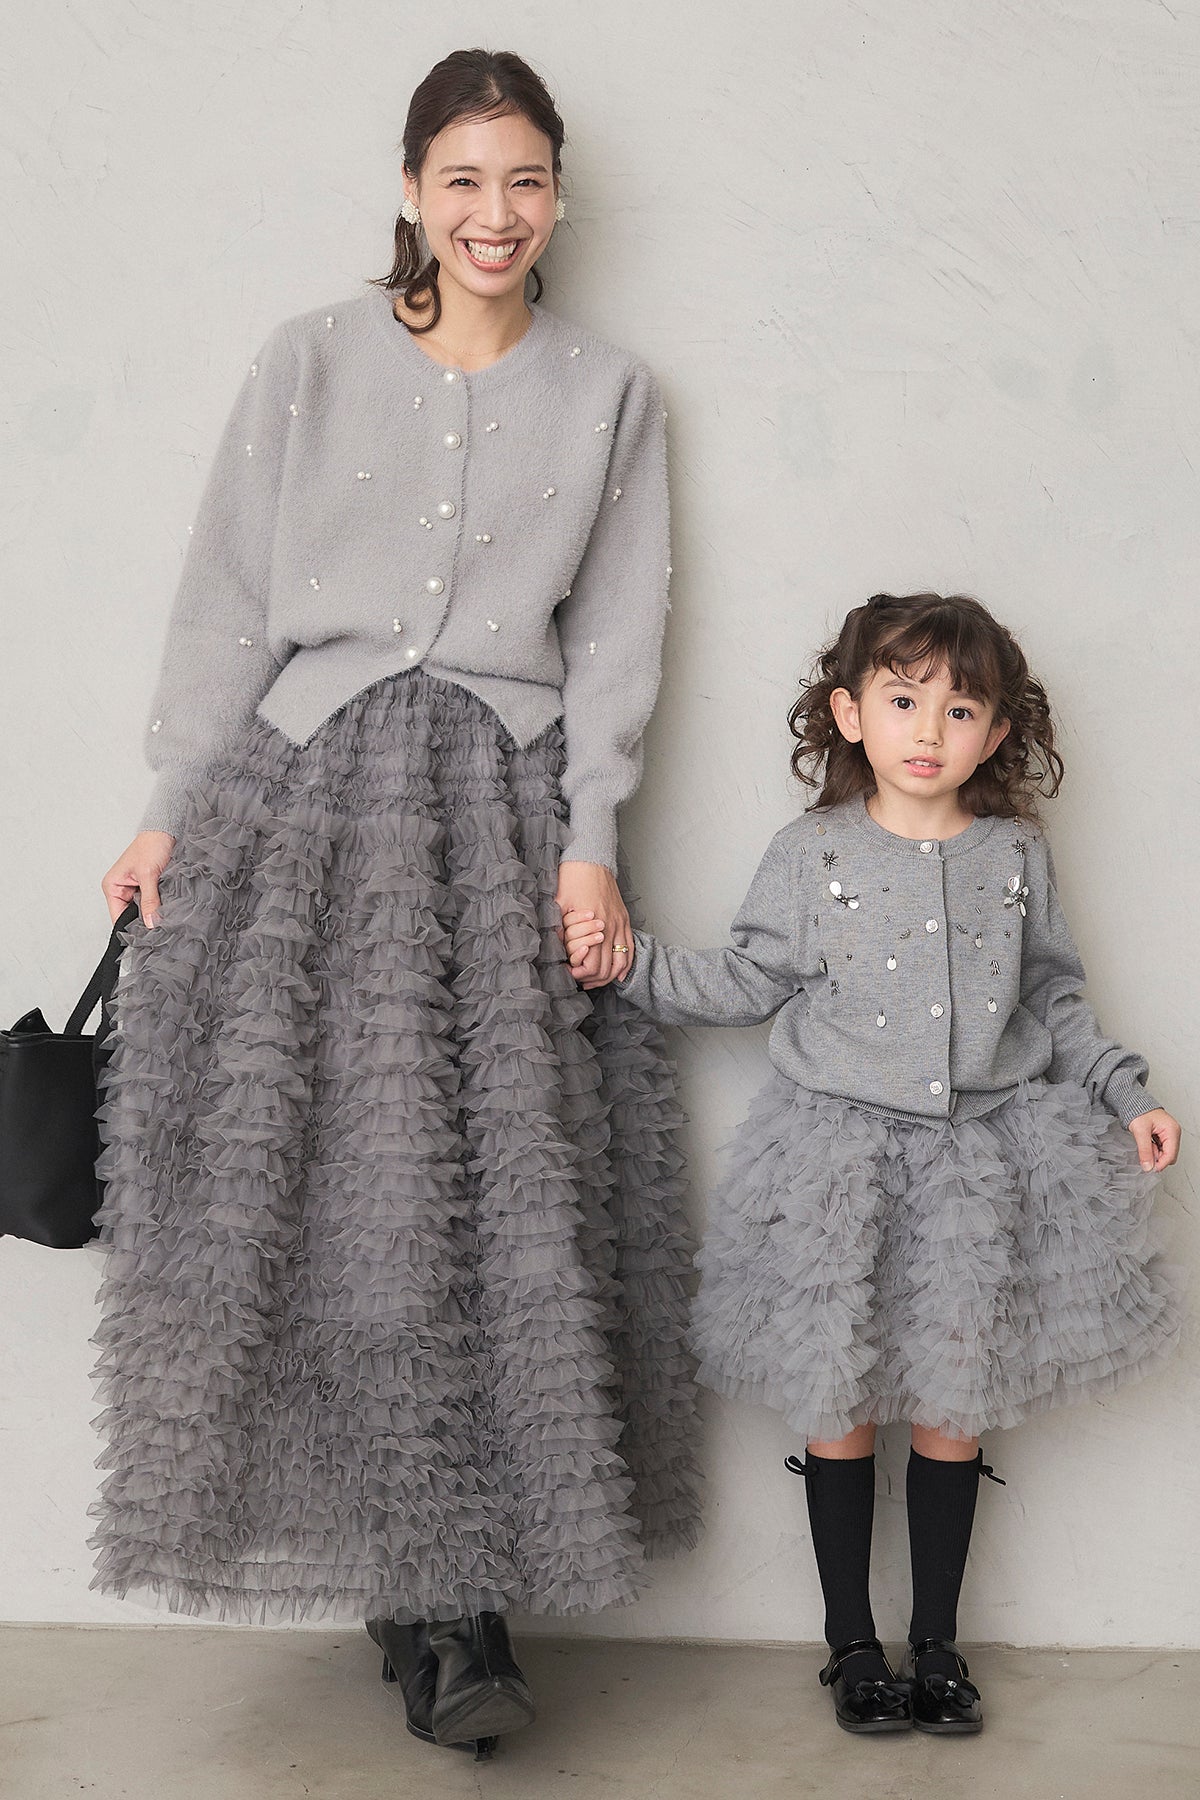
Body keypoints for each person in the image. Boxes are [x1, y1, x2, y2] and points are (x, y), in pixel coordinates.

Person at [94, 47, 699, 1760]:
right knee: (329, 1204)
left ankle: (459, 1598)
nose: (494, 214)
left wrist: (592, 836)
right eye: (463, 180)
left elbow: (620, 637)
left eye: (525, 181)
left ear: (560, 194)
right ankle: (420, 1594)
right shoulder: (308, 360)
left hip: (500, 820)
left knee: (497, 1207)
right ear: (414, 189)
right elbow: (225, 597)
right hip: (306, 816)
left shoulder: (612, 394)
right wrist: (167, 809)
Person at [563, 590, 1181, 1737]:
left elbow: (1055, 997)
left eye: (960, 709)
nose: (929, 729)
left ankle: (937, 1644)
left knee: (954, 1398)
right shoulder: (812, 854)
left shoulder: (1015, 856)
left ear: (996, 733)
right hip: (838, 1168)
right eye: (903, 701)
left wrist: (1127, 1092)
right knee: (839, 1395)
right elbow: (746, 981)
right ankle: (851, 1644)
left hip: (978, 1173)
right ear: (850, 713)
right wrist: (627, 965)